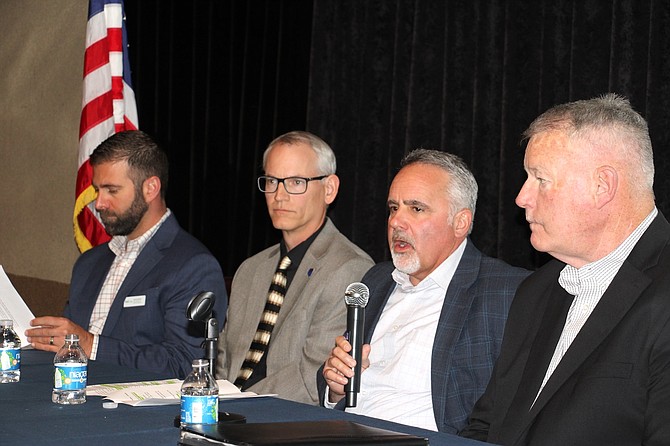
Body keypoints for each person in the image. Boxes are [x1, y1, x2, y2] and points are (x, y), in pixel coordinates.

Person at [459, 93, 670, 445]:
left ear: (602, 186)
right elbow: (486, 426)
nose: (522, 197)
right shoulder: (536, 290)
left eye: (540, 179)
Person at [318, 149, 530, 433]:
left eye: (416, 209)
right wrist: (335, 388)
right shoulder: (376, 280)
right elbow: (333, 387)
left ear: (461, 223)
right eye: (394, 208)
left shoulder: (505, 290)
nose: (396, 222)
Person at [26, 130, 227, 379]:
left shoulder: (192, 265)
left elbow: (186, 364)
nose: (99, 203)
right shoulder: (88, 263)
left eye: (112, 190)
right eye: (97, 190)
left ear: (151, 188)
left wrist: (91, 345)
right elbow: (63, 348)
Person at [216, 131, 374, 404]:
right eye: (272, 181)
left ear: (329, 189)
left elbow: (312, 378)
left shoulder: (348, 268)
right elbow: (223, 360)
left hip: (281, 419)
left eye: (296, 182)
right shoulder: (250, 270)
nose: (279, 195)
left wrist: (234, 406)